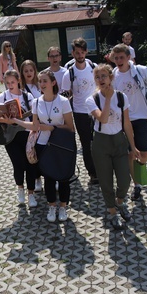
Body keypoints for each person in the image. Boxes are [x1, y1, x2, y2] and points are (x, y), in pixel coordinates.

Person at [12, 70, 75, 222]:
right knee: (49, 177)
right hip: (42, 145)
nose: (42, 84)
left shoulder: (63, 101)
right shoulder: (36, 102)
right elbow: (35, 125)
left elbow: (71, 127)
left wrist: (53, 128)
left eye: (45, 81)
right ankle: (52, 206)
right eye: (40, 81)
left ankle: (63, 207)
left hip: (61, 145)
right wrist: (16, 121)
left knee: (63, 177)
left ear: (53, 82)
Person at [86, 64, 140, 230]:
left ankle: (120, 202)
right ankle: (111, 212)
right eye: (98, 77)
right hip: (101, 143)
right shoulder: (92, 99)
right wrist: (108, 98)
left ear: (111, 77)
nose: (101, 80)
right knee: (106, 181)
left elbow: (126, 123)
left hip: (118, 141)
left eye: (104, 76)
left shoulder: (122, 97)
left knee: (124, 180)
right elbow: (102, 119)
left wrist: (133, 146)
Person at [111, 44, 147, 200]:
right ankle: (137, 185)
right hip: (124, 120)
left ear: (128, 58)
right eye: (116, 58)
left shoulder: (141, 71)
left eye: (121, 57)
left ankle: (142, 167)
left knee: (144, 154)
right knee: (130, 154)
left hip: (141, 117)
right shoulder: (113, 76)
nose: (119, 60)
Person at [0, 70, 37, 208]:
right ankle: (20, 189)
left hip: (26, 133)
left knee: (30, 163)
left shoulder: (28, 96)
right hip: (9, 136)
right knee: (18, 164)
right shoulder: (3, 96)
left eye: (13, 82)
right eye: (7, 83)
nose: (10, 85)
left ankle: (31, 193)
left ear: (18, 81)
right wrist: (5, 121)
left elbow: (36, 114)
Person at [61, 38, 99, 185]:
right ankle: (93, 173)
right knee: (86, 144)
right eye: (77, 53)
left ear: (86, 52)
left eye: (82, 52)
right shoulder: (69, 73)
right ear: (73, 53)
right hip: (80, 113)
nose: (80, 55)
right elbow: (65, 95)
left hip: (96, 111)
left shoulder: (93, 67)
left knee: (99, 142)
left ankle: (103, 169)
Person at [20, 59, 43, 192]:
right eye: (26, 71)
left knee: (43, 151)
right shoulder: (21, 89)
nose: (29, 73)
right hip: (29, 127)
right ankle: (37, 178)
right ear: (22, 73)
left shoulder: (40, 85)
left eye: (31, 70)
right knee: (32, 154)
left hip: (43, 124)